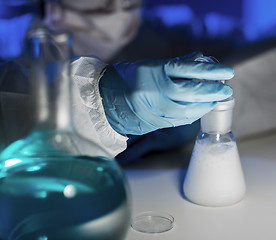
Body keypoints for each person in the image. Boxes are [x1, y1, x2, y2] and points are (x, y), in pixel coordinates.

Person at [0, 0, 234, 163]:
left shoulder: (157, 33)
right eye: (101, 3)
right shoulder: (8, 47)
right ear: (52, 7)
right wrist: (110, 103)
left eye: (130, 4)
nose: (119, 11)